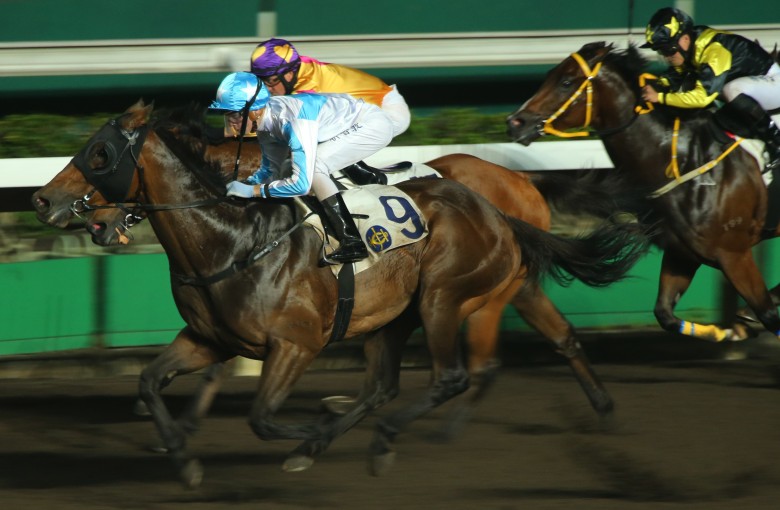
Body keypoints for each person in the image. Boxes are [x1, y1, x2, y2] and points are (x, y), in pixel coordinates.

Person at [210, 71, 394, 264]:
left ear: (255, 109)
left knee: (314, 168)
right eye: (226, 114)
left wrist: (253, 191)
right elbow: (270, 172)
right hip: (339, 126)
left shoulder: (291, 121)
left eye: (234, 113)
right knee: (287, 167)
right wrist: (244, 186)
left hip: (372, 124)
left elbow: (301, 185)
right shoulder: (265, 124)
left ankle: (353, 241)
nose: (231, 120)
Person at [249, 37, 411, 184]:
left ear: (289, 73)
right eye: (261, 81)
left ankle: (368, 179)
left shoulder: (308, 89)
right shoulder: (297, 67)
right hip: (370, 106)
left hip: (387, 112)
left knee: (309, 159)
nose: (267, 89)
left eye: (271, 81)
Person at [640, 7, 780, 171]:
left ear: (684, 39)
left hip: (774, 84)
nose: (666, 56)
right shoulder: (692, 47)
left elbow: (702, 98)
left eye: (666, 49)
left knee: (732, 89)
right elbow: (677, 75)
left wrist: (660, 98)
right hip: (756, 90)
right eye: (660, 51)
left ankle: (776, 140)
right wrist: (657, 83)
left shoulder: (714, 50)